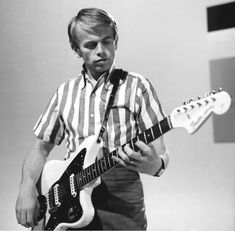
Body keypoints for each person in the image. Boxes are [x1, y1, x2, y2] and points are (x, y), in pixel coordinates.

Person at [15, 7, 169, 230]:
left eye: (107, 41)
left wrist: (156, 165)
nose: (101, 51)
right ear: (76, 48)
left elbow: (161, 151)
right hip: (69, 196)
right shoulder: (64, 92)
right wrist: (26, 187)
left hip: (121, 194)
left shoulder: (137, 86)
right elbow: (40, 148)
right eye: (90, 45)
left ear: (116, 41)